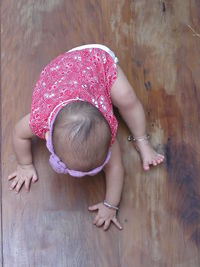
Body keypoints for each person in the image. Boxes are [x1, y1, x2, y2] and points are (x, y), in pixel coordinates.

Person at [8, 44, 165, 231]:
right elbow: (18, 133)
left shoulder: (107, 133)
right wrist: (24, 164)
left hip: (98, 65)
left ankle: (142, 140)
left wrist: (110, 205)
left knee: (127, 99)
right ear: (48, 136)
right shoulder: (40, 119)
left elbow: (115, 169)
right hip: (65, 68)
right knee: (124, 97)